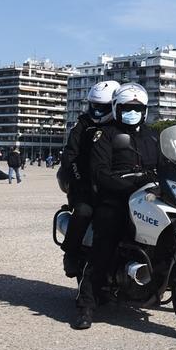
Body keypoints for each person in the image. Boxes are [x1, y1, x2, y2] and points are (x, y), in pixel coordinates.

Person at [73, 83, 160, 330]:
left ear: (144, 110)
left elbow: (168, 165)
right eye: (126, 108)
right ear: (116, 108)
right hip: (116, 199)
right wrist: (130, 183)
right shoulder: (106, 135)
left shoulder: (153, 136)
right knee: (105, 243)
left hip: (149, 198)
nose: (131, 112)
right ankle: (85, 305)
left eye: (136, 108)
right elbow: (99, 173)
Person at [58, 80, 119, 278]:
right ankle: (71, 252)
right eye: (94, 105)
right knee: (84, 211)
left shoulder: (120, 125)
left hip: (112, 184)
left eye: (103, 107)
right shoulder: (83, 124)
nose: (98, 111)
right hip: (82, 183)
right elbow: (70, 156)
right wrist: (80, 180)